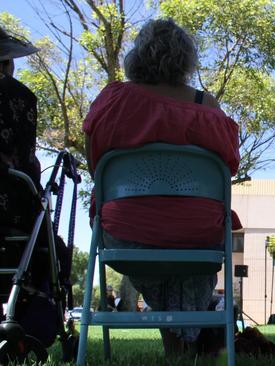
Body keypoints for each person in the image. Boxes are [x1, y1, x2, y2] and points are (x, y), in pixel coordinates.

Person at [83, 19, 240, 356]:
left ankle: (184, 345)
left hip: (127, 233)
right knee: (186, 246)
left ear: (137, 57)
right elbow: (227, 170)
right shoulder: (207, 108)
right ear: (186, 60)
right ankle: (190, 339)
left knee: (160, 239)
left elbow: (96, 166)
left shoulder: (113, 101)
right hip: (197, 237)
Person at [0, 27, 41, 232]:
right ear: (6, 62)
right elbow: (26, 161)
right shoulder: (18, 95)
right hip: (8, 213)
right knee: (57, 253)